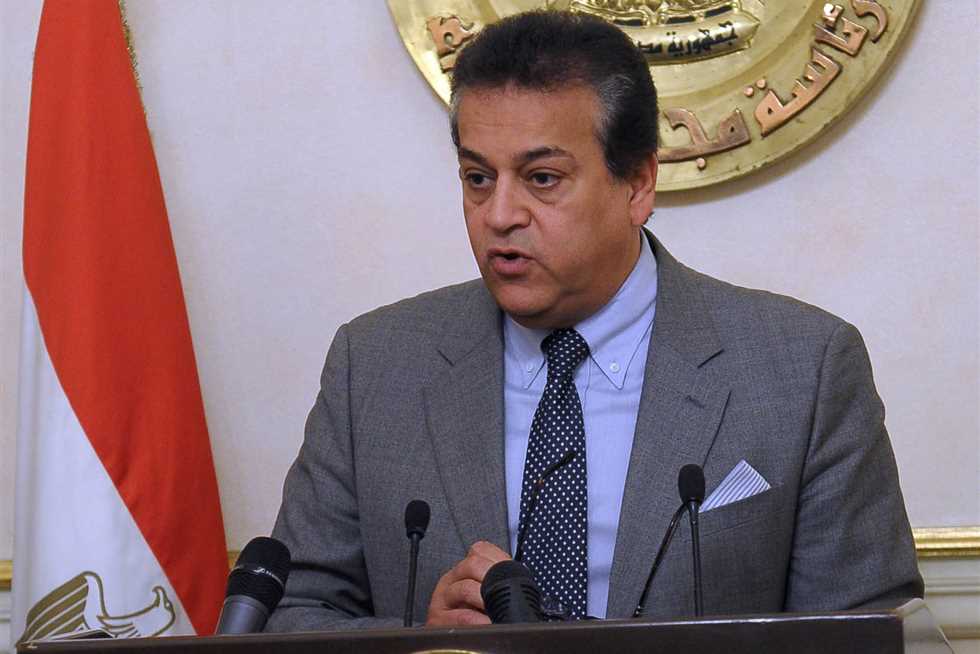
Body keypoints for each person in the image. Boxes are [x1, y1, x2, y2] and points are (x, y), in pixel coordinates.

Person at [265, 10, 922, 632]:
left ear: (637, 185)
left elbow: (866, 634)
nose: (500, 215)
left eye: (542, 178)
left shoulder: (803, 371)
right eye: (477, 178)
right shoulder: (373, 367)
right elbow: (291, 614)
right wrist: (422, 642)